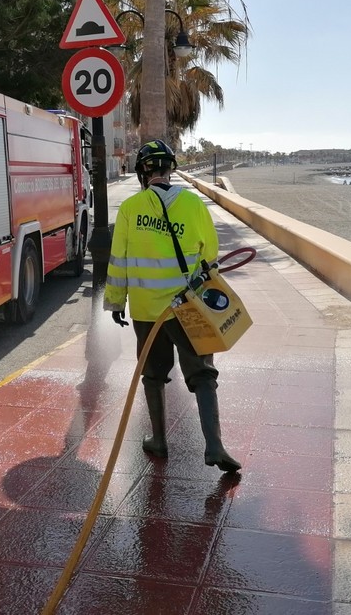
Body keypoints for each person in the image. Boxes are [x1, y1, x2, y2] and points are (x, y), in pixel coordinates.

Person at [104, 140, 241, 472]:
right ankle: (215, 444)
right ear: (170, 169)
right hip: (188, 309)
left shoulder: (130, 208)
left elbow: (119, 260)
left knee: (153, 375)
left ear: (143, 172)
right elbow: (209, 254)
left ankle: (159, 440)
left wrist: (115, 302)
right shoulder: (194, 204)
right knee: (203, 374)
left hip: (147, 313)